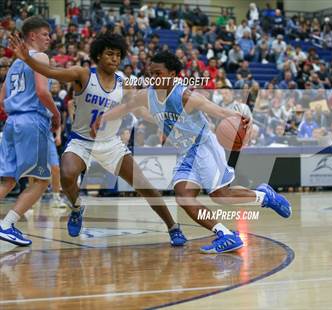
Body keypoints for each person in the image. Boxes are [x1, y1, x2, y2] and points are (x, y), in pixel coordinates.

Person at [94, 51, 292, 254]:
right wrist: (103, 118)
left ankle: (264, 196)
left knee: (220, 196)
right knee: (183, 197)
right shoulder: (147, 94)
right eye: (151, 73)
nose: (153, 77)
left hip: (204, 147)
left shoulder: (186, 96)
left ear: (172, 74)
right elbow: (127, 106)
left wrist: (240, 117)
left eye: (158, 73)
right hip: (184, 153)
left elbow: (218, 111)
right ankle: (225, 235)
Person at [8, 32, 187, 246]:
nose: (114, 59)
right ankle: (77, 207)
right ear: (98, 56)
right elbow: (52, 72)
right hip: (81, 141)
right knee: (66, 175)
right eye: (109, 54)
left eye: (118, 55)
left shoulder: (124, 82)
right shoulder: (82, 74)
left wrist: (164, 125)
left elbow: (137, 108)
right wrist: (28, 58)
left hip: (111, 144)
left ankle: (173, 227)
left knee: (146, 186)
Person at [0, 16, 61, 246]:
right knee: (41, 181)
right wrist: (56, 114)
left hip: (11, 122)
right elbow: (43, 92)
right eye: (45, 34)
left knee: (8, 180)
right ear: (33, 36)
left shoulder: (15, 62)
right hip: (32, 120)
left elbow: (1, 99)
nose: (49, 38)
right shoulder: (41, 57)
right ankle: (7, 224)